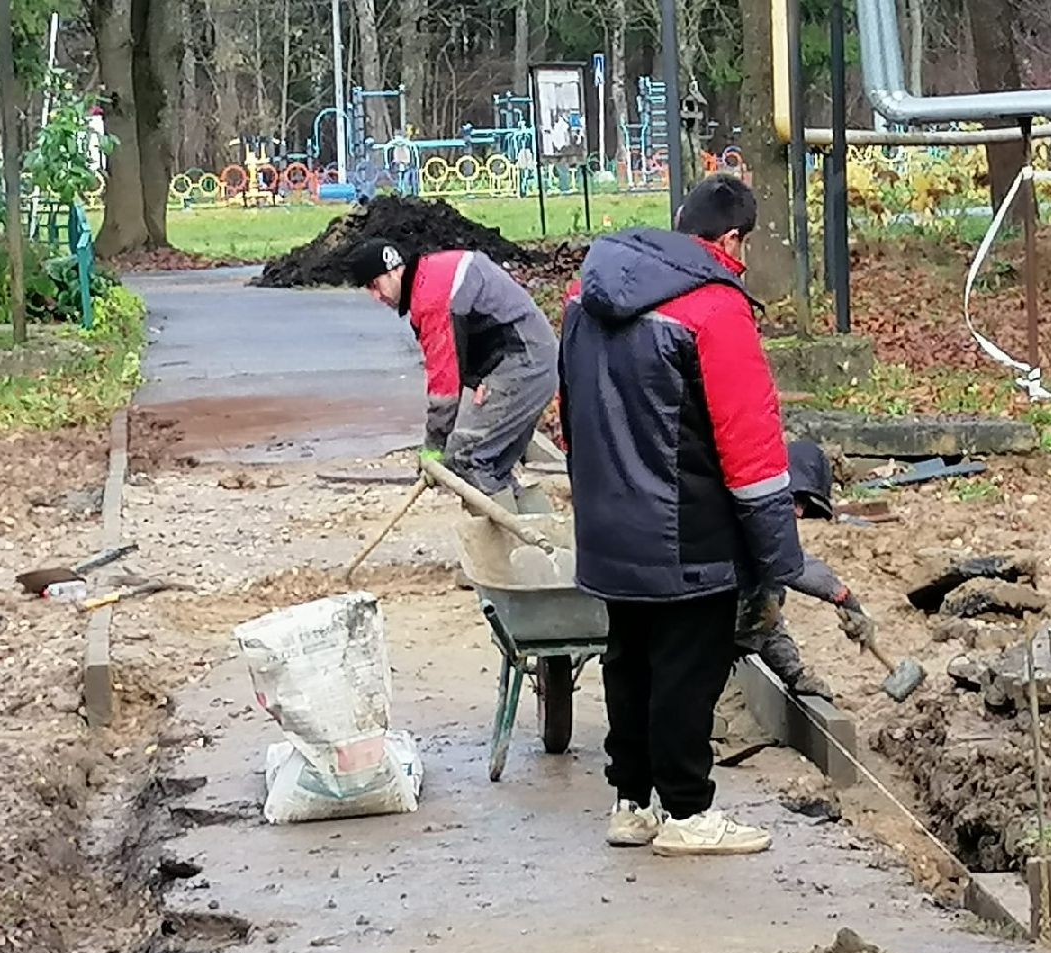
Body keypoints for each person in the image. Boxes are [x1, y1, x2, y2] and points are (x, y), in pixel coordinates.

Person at [558, 174, 802, 857]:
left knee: (627, 659)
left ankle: (630, 803)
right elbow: (749, 446)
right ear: (728, 239)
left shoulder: (582, 294)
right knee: (685, 670)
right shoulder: (713, 309)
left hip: (607, 523)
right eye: (744, 244)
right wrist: (777, 559)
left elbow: (570, 411)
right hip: (685, 526)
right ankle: (689, 813)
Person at [349, 238, 558, 508]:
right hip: (531, 356)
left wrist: (433, 449)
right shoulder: (435, 273)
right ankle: (540, 534)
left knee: (466, 458)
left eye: (374, 285)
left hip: (524, 361)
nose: (376, 297)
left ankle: (510, 541)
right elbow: (469, 337)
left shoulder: (431, 297)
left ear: (393, 271)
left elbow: (444, 388)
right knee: (493, 464)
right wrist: (478, 378)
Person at [736, 440, 876, 702]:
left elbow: (768, 615)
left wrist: (794, 674)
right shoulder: (743, 521)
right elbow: (795, 570)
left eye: (804, 506)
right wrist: (845, 599)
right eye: (797, 500)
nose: (799, 513)